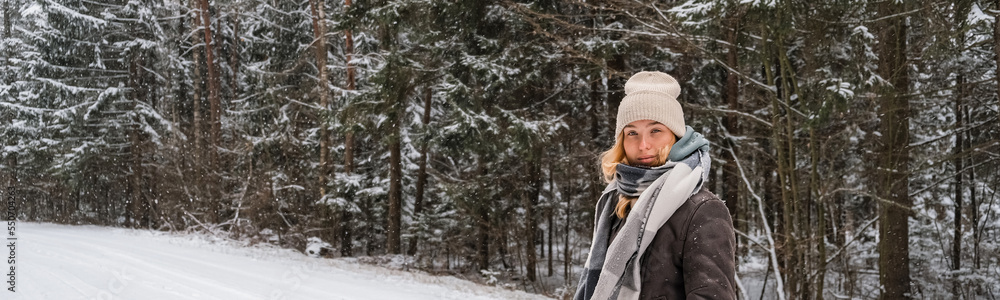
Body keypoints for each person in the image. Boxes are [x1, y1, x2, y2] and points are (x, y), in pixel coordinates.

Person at [574, 71, 736, 300]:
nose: (643, 145)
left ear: (676, 136)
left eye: (655, 130)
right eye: (632, 133)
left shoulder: (703, 210)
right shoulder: (615, 202)